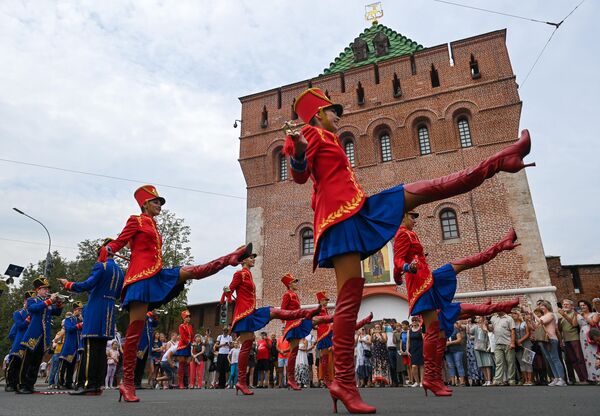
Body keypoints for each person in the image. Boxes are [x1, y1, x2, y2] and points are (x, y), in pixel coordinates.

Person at [284, 87, 534, 413]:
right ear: (319, 114)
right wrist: (299, 152)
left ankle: (501, 160)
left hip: (358, 208)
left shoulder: (329, 138)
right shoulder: (312, 133)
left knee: (430, 188)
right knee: (350, 298)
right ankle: (343, 382)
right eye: (333, 111)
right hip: (340, 217)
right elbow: (300, 175)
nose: (338, 116)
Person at [101, 185, 253, 402]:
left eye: (160, 202)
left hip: (158, 274)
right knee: (134, 335)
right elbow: (119, 242)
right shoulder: (135, 220)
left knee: (191, 272)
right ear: (145, 203)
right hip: (140, 279)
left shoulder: (154, 227)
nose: (159, 205)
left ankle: (231, 258)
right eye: (155, 201)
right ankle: (126, 384)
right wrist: (107, 251)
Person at [394, 212, 520, 396]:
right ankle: (430, 378)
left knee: (463, 264)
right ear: (404, 216)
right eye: (413, 217)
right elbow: (398, 260)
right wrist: (406, 268)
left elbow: (399, 269)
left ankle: (502, 246)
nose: (415, 220)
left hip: (428, 277)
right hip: (421, 284)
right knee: (435, 330)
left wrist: (400, 275)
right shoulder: (402, 234)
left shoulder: (409, 233)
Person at [221, 253, 321, 395]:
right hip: (244, 314)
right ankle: (241, 382)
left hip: (252, 311)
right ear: (243, 260)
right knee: (248, 344)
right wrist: (227, 291)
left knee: (272, 312)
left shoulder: (248, 274)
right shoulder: (240, 274)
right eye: (250, 257)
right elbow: (230, 292)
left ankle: (241, 382)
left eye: (253, 257)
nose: (253, 259)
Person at [59, 238, 125, 395]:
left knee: (90, 348)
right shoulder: (120, 271)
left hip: (96, 310)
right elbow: (117, 293)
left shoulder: (101, 266)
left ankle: (88, 385)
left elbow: (87, 284)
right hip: (109, 311)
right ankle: (97, 385)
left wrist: (68, 284)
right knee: (101, 350)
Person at [16, 277, 64, 394]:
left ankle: (30, 384)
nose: (46, 291)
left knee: (36, 361)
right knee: (27, 360)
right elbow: (33, 309)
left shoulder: (46, 302)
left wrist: (58, 302)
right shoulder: (33, 300)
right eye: (44, 289)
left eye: (47, 289)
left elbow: (57, 313)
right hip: (33, 335)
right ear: (38, 290)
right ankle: (22, 385)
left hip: (43, 337)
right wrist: (49, 301)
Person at [532, 300, 566, 386]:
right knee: (549, 359)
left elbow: (541, 322)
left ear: (546, 306)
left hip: (551, 338)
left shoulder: (550, 314)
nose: (540, 307)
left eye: (542, 306)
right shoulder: (543, 316)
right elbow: (536, 326)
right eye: (540, 306)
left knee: (555, 358)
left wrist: (533, 314)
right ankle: (556, 377)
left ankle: (562, 379)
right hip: (544, 339)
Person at [4, 291, 33, 392]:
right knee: (14, 363)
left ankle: (21, 383)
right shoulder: (18, 313)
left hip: (30, 342)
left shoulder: (36, 312)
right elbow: (19, 327)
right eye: (28, 301)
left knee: (26, 365)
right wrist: (28, 319)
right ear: (25, 301)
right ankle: (9, 383)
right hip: (19, 342)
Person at [557, 299, 587, 384]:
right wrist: (561, 340)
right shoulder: (562, 316)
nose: (565, 305)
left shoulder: (574, 313)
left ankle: (585, 378)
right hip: (566, 340)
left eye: (567, 304)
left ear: (572, 306)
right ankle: (581, 379)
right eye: (564, 304)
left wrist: (564, 316)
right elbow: (560, 329)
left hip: (575, 338)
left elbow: (574, 324)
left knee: (579, 359)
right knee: (573, 360)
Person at [58, 301, 83, 390]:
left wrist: (82, 322)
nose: (80, 311)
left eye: (81, 310)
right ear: (74, 310)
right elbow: (69, 329)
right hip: (68, 346)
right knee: (63, 365)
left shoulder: (81, 320)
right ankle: (60, 383)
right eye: (78, 310)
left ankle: (69, 382)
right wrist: (79, 325)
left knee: (72, 366)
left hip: (76, 346)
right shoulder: (69, 319)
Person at [489, 310, 517, 386]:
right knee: (499, 362)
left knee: (510, 362)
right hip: (497, 343)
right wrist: (487, 326)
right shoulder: (493, 318)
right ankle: (498, 380)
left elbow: (513, 331)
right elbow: (491, 330)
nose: (497, 310)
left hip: (508, 343)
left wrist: (512, 342)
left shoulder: (509, 318)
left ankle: (511, 379)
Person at [577, 300, 600, 383]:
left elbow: (593, 323)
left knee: (595, 355)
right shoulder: (579, 315)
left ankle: (598, 376)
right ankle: (592, 377)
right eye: (581, 306)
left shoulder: (594, 314)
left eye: (584, 305)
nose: (582, 307)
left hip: (592, 335)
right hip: (583, 337)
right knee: (587, 357)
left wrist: (585, 316)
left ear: (588, 305)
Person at [469, 316, 494, 386]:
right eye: (477, 318)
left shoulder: (487, 325)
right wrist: (471, 324)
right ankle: (486, 380)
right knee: (481, 364)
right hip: (477, 346)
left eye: (479, 318)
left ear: (483, 318)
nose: (478, 319)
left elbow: (489, 333)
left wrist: (484, 327)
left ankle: (489, 380)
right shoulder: (476, 326)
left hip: (485, 346)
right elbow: (470, 332)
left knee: (487, 364)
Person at [512, 309, 533, 386]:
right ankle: (525, 380)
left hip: (526, 343)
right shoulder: (512, 324)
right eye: (512, 314)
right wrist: (516, 341)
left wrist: (520, 340)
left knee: (528, 361)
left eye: (515, 313)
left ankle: (530, 380)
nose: (513, 315)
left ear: (518, 314)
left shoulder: (524, 323)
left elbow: (528, 333)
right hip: (517, 345)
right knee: (521, 363)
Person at [173, 310, 193, 389]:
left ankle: (184, 383)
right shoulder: (181, 326)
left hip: (188, 346)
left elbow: (192, 335)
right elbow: (183, 336)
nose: (188, 318)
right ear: (184, 318)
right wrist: (188, 342)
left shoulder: (190, 326)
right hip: (182, 347)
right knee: (181, 364)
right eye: (186, 317)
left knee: (185, 365)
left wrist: (191, 342)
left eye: (189, 317)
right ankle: (180, 383)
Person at [445, 322, 465, 387]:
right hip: (448, 351)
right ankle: (453, 382)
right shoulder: (444, 331)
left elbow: (459, 340)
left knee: (459, 364)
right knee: (450, 366)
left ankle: (462, 382)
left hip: (457, 350)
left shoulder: (455, 329)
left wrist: (450, 343)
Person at [406, 316, 424, 388]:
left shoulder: (421, 329)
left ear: (418, 321)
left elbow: (424, 339)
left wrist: (420, 326)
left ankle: (422, 382)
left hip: (420, 348)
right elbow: (408, 341)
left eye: (415, 320)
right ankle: (417, 381)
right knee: (413, 366)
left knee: (421, 365)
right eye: (413, 321)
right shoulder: (409, 330)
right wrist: (407, 350)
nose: (414, 322)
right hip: (413, 349)